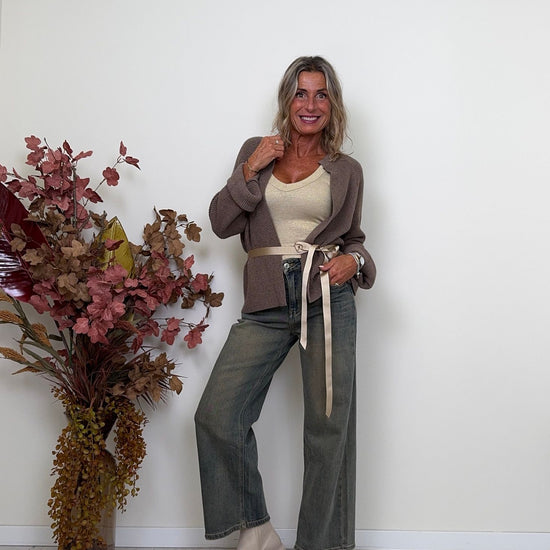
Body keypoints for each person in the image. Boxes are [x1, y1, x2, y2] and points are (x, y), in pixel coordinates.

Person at [194, 55, 376, 550]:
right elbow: (221, 223)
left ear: (332, 105)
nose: (310, 104)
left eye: (321, 94)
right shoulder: (257, 151)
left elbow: (355, 240)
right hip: (267, 300)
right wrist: (250, 168)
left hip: (326, 299)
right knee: (217, 414)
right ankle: (256, 530)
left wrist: (355, 262)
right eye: (301, 93)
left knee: (328, 431)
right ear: (287, 100)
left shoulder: (346, 170)